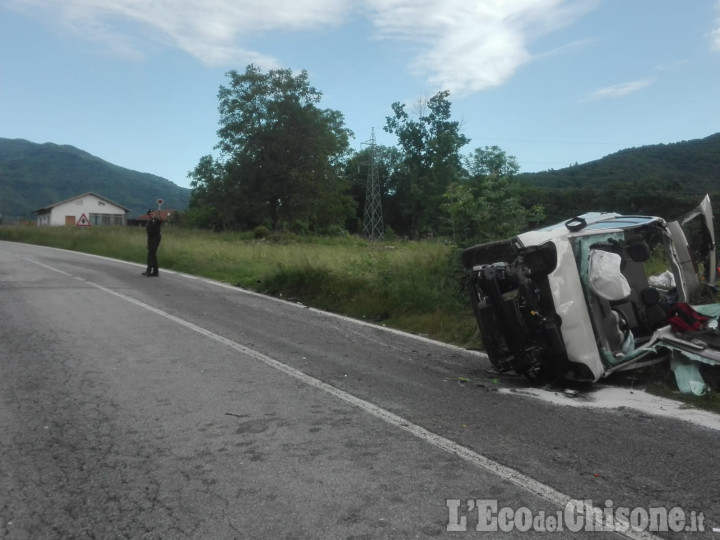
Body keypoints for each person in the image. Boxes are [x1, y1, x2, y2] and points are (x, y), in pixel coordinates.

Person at [142, 209, 162, 277]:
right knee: (152, 255)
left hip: (156, 239)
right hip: (150, 240)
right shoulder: (149, 222)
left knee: (151, 255)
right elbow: (148, 234)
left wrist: (159, 213)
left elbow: (160, 220)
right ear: (149, 215)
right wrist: (148, 243)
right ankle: (155, 271)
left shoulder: (157, 221)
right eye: (150, 214)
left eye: (153, 213)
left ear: (155, 214)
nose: (152, 215)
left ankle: (149, 270)